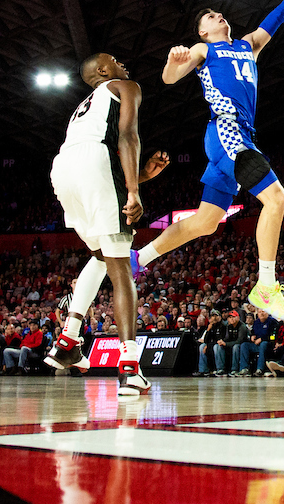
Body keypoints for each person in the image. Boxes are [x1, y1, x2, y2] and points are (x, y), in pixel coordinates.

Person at [132, 0, 284, 323]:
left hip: (239, 137)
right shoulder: (205, 50)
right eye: (210, 17)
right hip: (225, 133)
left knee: (206, 222)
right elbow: (170, 79)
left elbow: (279, 17)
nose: (218, 16)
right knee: (277, 198)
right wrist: (175, 61)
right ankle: (265, 286)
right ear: (202, 33)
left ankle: (138, 259)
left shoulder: (249, 45)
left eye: (219, 13)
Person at [44, 53, 169, 397]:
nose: (123, 63)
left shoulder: (82, 107)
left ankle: (68, 341)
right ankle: (130, 368)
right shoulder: (124, 86)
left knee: (101, 256)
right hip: (93, 162)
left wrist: (141, 176)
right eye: (114, 59)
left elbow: (98, 162)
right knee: (120, 268)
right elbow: (127, 137)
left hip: (63, 168)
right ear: (102, 71)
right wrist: (133, 190)